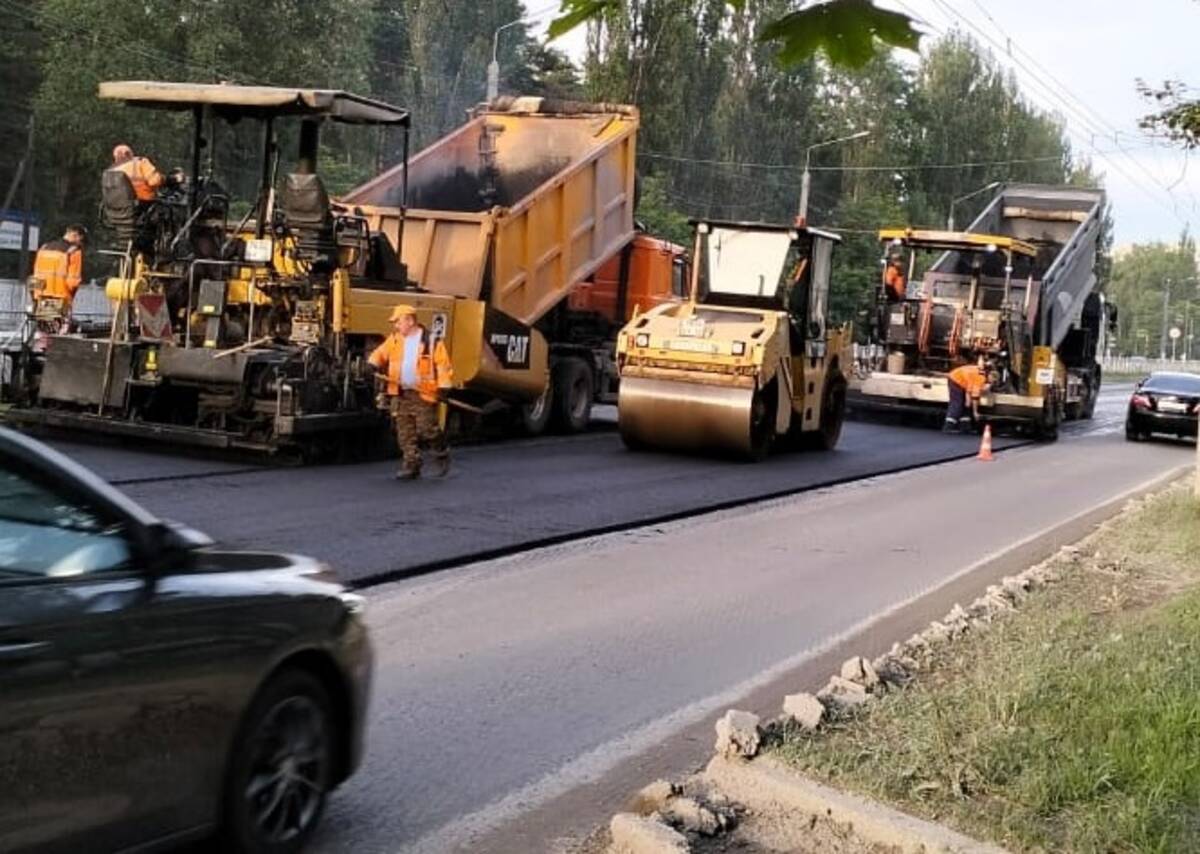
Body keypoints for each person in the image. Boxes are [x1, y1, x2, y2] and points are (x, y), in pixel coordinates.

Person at [369, 304, 454, 479]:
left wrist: (444, 387)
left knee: (427, 429)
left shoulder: (431, 341)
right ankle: (411, 465)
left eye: (398, 322)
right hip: (401, 392)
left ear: (409, 320)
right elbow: (380, 354)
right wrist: (371, 364)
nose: (396, 326)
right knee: (404, 432)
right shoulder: (395, 339)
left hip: (423, 393)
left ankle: (441, 452)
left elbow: (443, 365)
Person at [31, 224, 86, 309]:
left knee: (41, 320)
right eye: (81, 240)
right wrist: (70, 298)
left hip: (41, 297)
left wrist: (35, 295)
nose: (80, 243)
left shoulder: (44, 248)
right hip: (61, 298)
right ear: (75, 235)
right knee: (60, 322)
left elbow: (36, 274)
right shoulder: (73, 252)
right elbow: (73, 282)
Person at [944, 356, 991, 433]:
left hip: (962, 380)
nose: (985, 390)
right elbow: (975, 397)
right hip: (955, 380)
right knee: (957, 403)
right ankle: (948, 427)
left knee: (966, 404)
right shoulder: (980, 378)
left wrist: (968, 401)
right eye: (985, 389)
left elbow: (969, 390)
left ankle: (965, 427)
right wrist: (975, 412)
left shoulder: (981, 373)